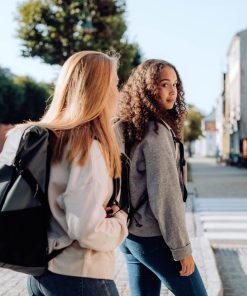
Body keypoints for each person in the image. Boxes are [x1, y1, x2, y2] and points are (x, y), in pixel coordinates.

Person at [12, 51, 128, 295]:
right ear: (98, 91)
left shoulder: (37, 139)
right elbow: (88, 231)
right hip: (82, 277)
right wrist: (120, 221)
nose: (119, 94)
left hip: (42, 275)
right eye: (115, 84)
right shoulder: (87, 149)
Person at [115, 59, 208, 296]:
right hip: (155, 237)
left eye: (175, 85)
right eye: (164, 84)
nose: (172, 91)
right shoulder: (156, 133)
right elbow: (165, 196)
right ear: (147, 88)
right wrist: (182, 249)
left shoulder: (130, 126)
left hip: (130, 235)